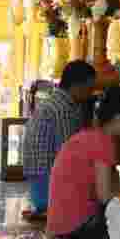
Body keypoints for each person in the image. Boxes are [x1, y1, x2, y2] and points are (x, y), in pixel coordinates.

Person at [46, 85, 120, 239]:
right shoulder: (103, 142)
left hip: (59, 226)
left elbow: (103, 187)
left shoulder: (89, 136)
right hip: (76, 228)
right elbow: (105, 196)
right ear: (118, 118)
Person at [21, 60, 96, 221]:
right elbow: (69, 155)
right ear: (76, 85)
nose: (90, 94)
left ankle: (47, 209)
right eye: (89, 88)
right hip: (47, 186)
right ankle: (52, 208)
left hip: (39, 186)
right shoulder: (63, 109)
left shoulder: (56, 102)